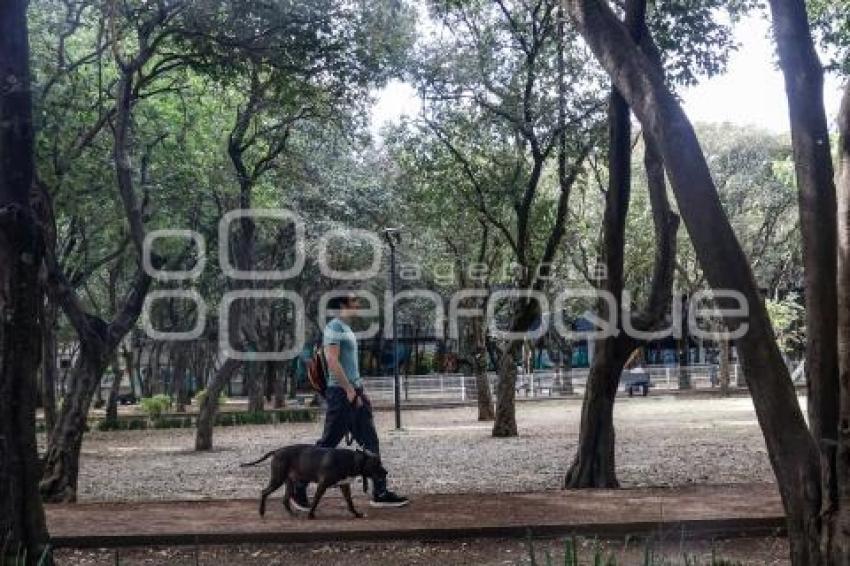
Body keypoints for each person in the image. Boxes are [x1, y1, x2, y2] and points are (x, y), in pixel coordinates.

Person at [291, 292, 409, 510]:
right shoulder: (334, 329)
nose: (358, 304)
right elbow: (332, 361)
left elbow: (347, 364)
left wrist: (359, 390)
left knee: (370, 442)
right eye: (355, 301)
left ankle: (380, 492)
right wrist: (348, 390)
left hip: (355, 392)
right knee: (326, 445)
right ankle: (298, 488)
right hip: (341, 394)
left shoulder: (346, 329)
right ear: (344, 304)